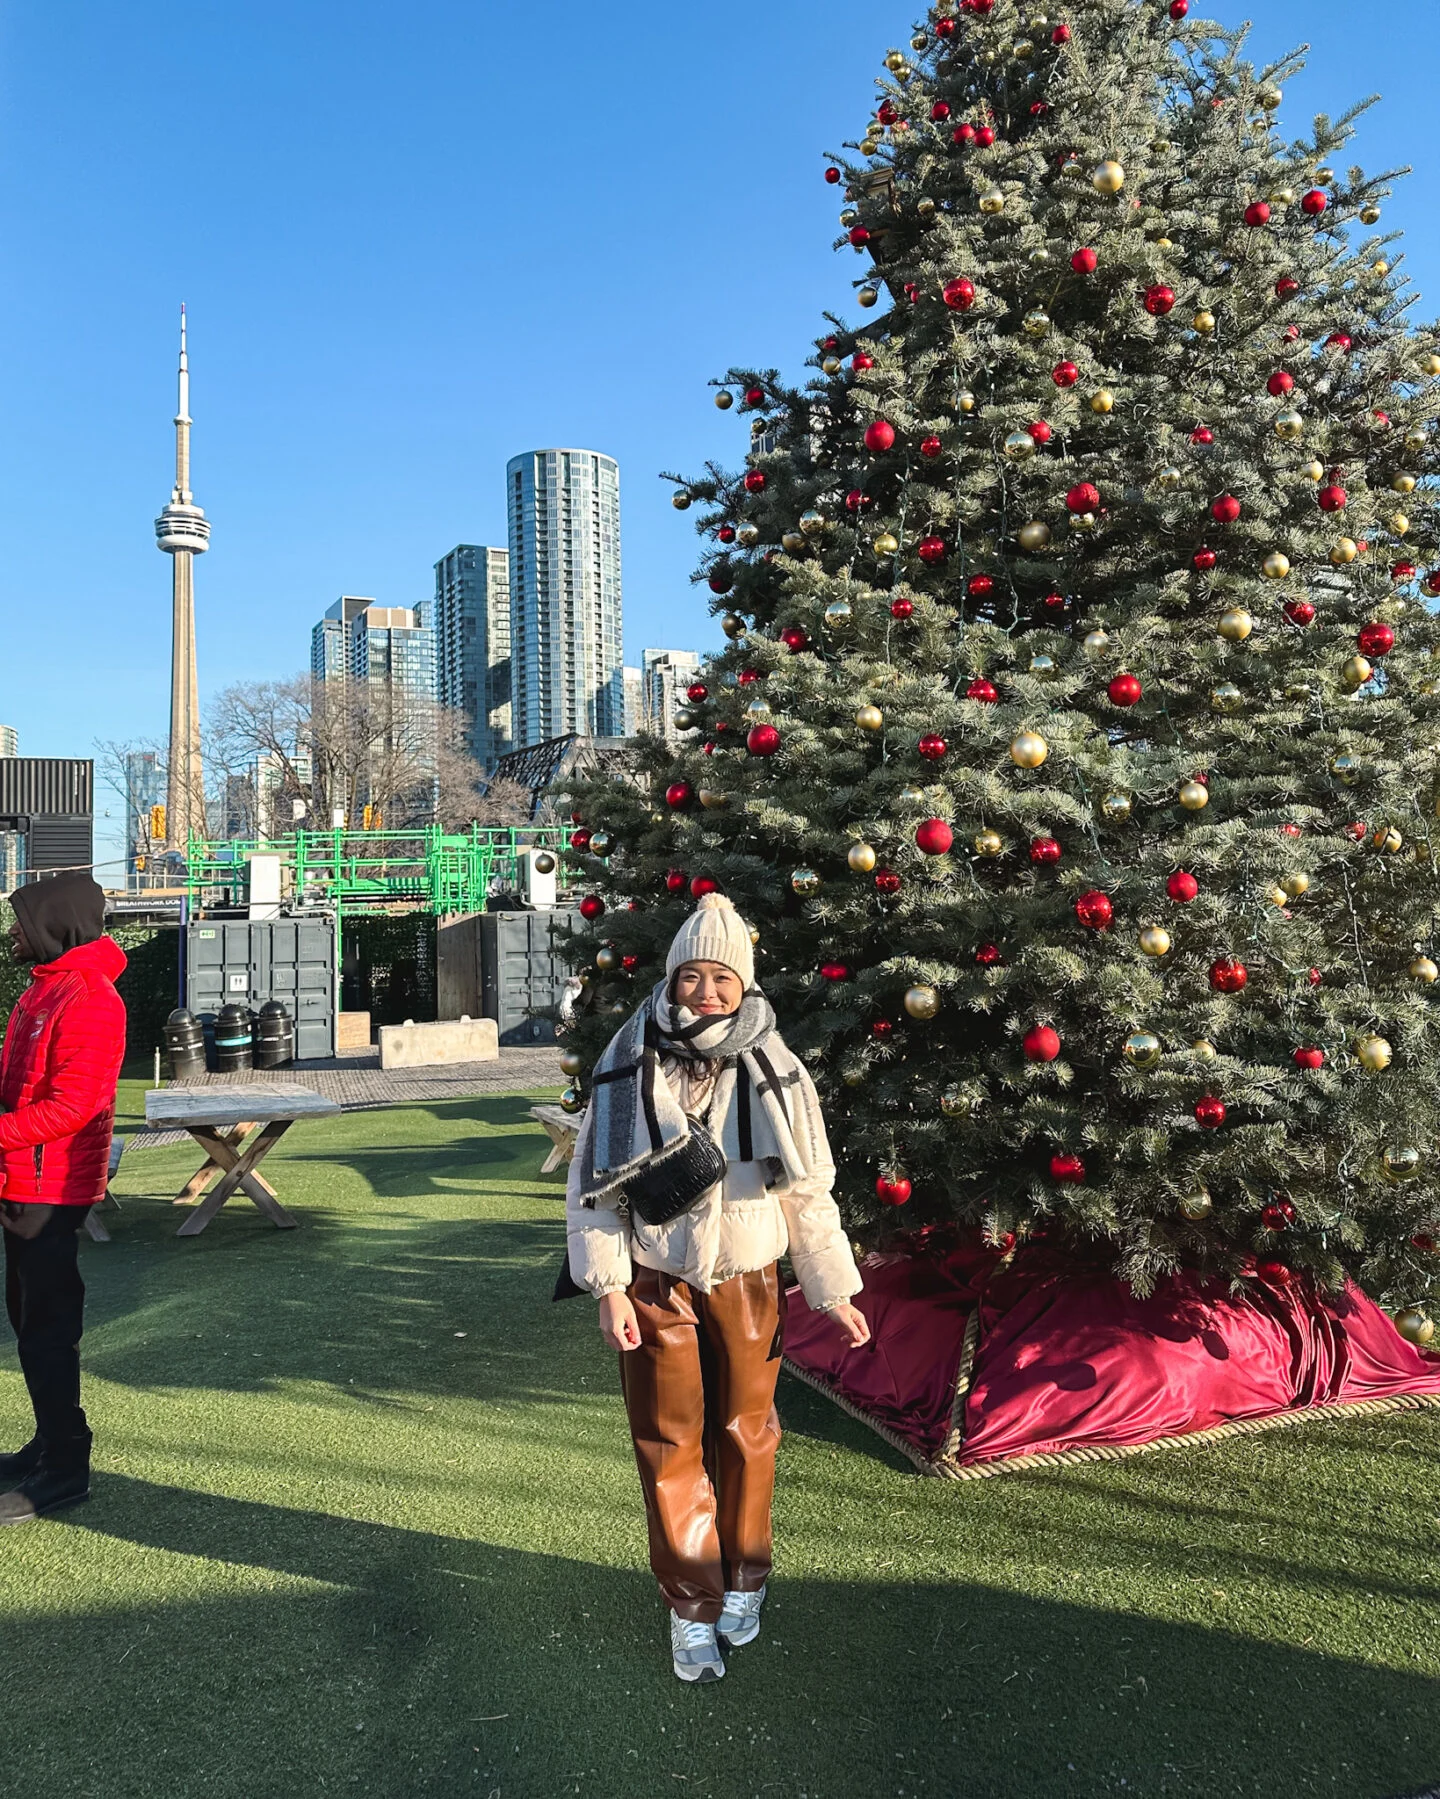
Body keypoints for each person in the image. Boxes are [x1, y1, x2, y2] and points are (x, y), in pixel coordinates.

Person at [566, 891, 870, 1684]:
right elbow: (593, 1189)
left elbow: (809, 1187)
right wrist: (607, 1285)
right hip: (657, 1278)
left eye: (722, 980)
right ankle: (690, 1604)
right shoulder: (627, 1063)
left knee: (747, 1431)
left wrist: (833, 1286)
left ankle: (746, 1579)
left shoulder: (779, 1068)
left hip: (749, 1276)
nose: (705, 993)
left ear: (745, 986)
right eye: (692, 977)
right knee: (670, 1442)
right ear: (670, 981)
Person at [0, 873, 127, 1525]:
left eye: (21, 920)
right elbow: (19, 1084)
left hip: (51, 1186)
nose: (14, 932)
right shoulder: (43, 989)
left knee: (48, 1329)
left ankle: (66, 1468)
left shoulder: (90, 997)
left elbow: (72, 1107)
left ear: (54, 924)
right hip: (21, 1180)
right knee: (28, 1323)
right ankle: (49, 1443)